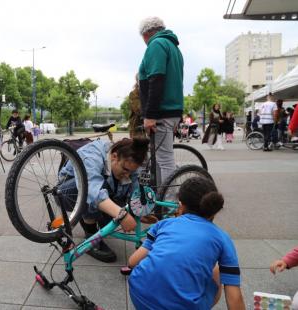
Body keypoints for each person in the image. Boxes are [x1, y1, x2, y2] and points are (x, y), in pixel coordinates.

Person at [128, 177, 245, 310]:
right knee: (217, 270)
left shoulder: (163, 224)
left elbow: (132, 262)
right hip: (184, 306)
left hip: (139, 294)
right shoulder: (223, 238)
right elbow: (234, 298)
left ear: (180, 205)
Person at [59, 138, 149, 263]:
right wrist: (122, 215)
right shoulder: (91, 154)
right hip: (67, 193)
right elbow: (92, 189)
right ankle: (91, 236)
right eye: (125, 169)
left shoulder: (128, 161)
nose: (128, 175)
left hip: (103, 189)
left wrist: (138, 210)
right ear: (114, 156)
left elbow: (135, 189)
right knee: (90, 187)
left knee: (108, 221)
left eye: (131, 172)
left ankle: (94, 216)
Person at [138, 16, 183, 185]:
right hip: (172, 110)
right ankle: (160, 198)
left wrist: (150, 115)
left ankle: (168, 204)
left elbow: (156, 80)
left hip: (161, 112)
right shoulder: (173, 47)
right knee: (160, 158)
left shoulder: (156, 45)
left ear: (146, 33)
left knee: (164, 160)